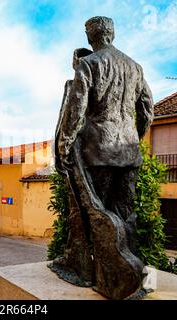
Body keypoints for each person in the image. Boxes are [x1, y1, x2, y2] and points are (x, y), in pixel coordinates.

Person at [52, 16, 154, 300]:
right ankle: (129, 274)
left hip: (98, 151)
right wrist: (133, 138)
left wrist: (64, 145)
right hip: (129, 152)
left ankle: (84, 270)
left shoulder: (89, 64)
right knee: (125, 214)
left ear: (90, 37)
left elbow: (76, 110)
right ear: (112, 33)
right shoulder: (135, 67)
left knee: (88, 213)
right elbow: (147, 110)